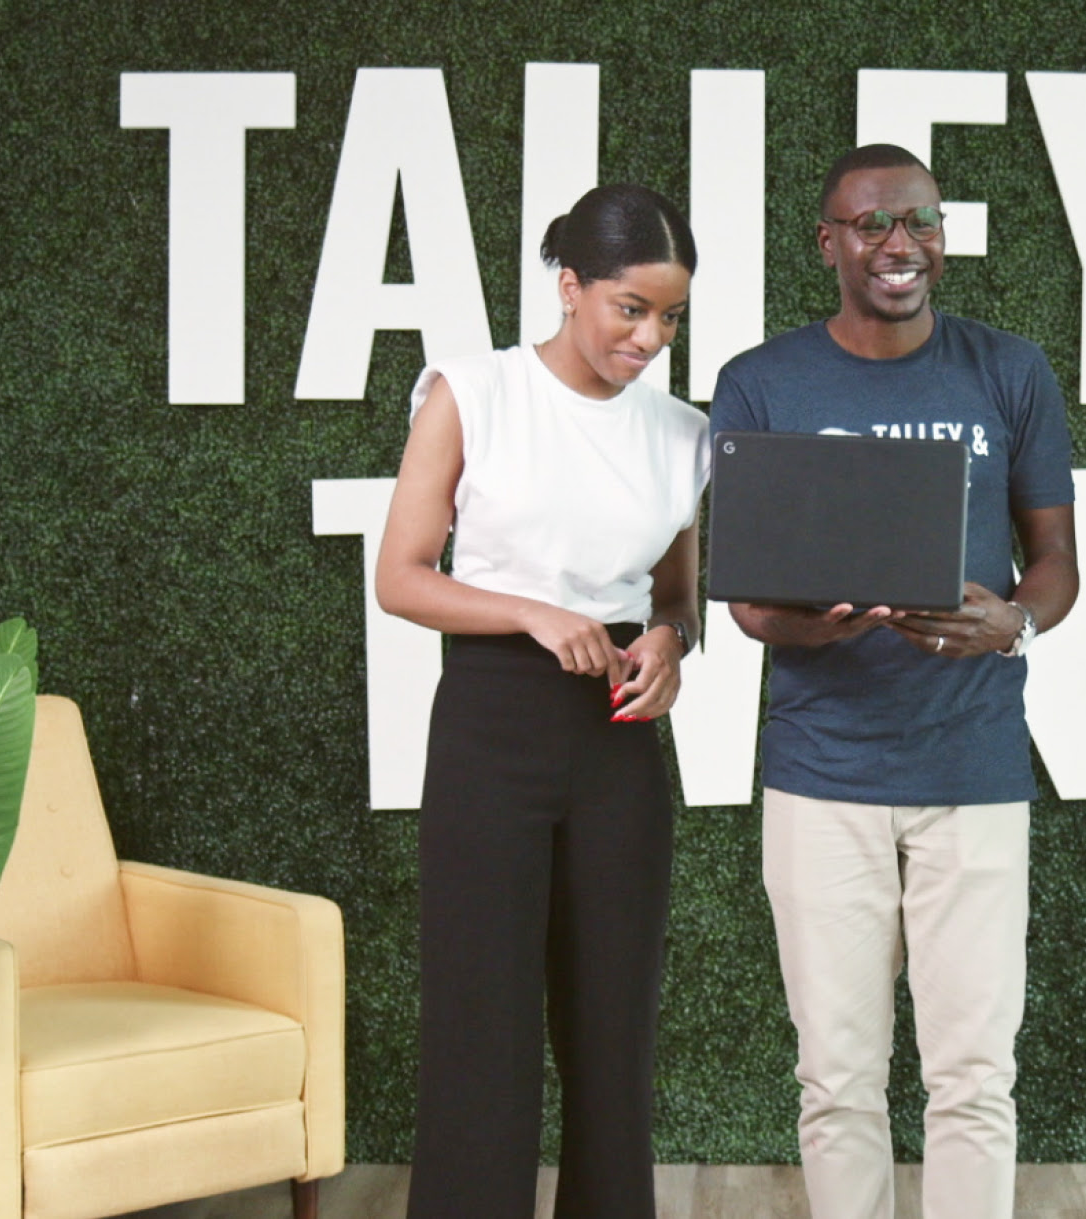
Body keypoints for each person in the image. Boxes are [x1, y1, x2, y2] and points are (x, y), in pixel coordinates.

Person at [709, 143, 1078, 1219]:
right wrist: (809, 622)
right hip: (821, 773)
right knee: (835, 1080)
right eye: (870, 224)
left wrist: (1012, 622)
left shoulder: (1007, 370)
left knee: (973, 1077)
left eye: (917, 221)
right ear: (825, 242)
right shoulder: (761, 381)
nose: (897, 245)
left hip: (972, 766)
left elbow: (1053, 562)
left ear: (942, 236)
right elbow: (743, 603)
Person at [373, 183, 706, 1219]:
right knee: (483, 1022)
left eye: (669, 317)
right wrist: (526, 613)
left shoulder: (683, 433)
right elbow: (400, 576)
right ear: (569, 286)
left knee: (612, 1026)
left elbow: (676, 593)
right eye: (629, 309)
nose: (649, 337)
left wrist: (670, 641)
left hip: (617, 737)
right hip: (490, 725)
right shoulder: (472, 394)